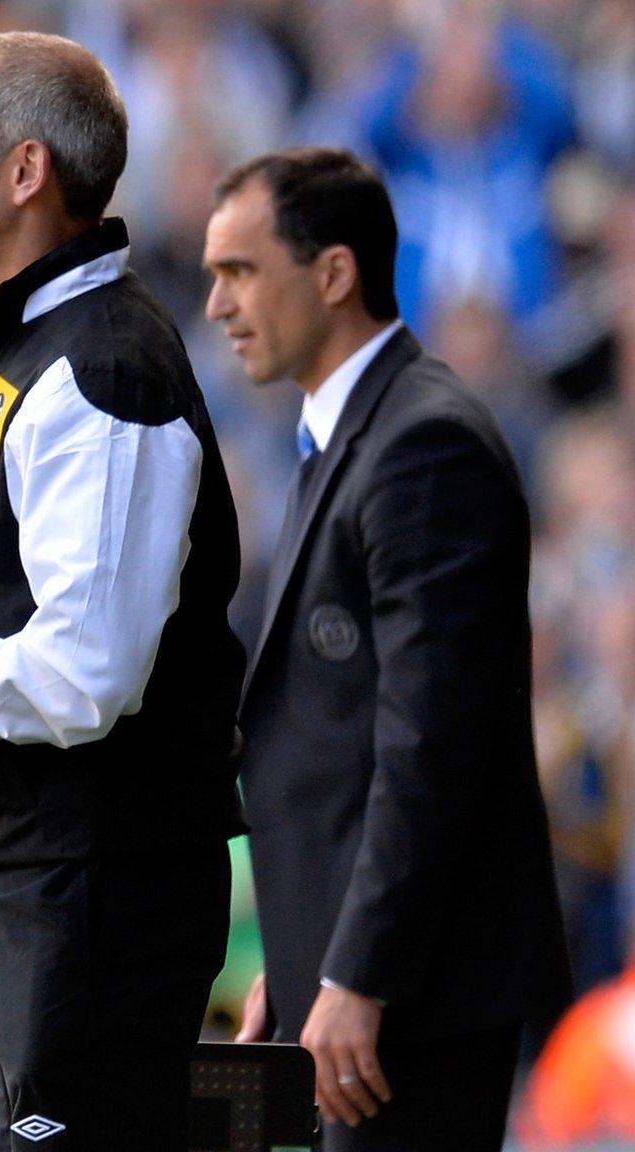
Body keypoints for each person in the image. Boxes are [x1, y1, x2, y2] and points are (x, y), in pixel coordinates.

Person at [0, 31, 246, 1151]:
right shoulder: (37, 345)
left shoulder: (100, 365)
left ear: (23, 172)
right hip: (54, 885)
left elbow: (88, 672)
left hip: (95, 897)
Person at [204, 146, 570, 1151]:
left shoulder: (422, 444)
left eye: (238, 271)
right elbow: (342, 731)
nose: (215, 304)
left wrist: (355, 973)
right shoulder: (353, 432)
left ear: (331, 274)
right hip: (369, 981)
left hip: (414, 997)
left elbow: (427, 748)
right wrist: (302, 944)